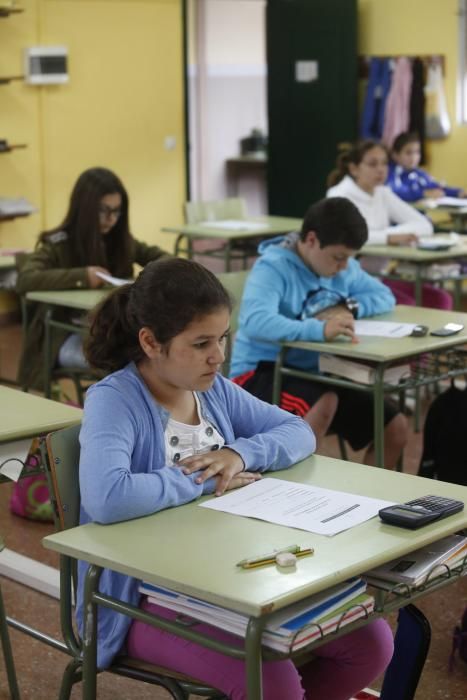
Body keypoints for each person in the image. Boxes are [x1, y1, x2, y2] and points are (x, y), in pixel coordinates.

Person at [78, 257, 393, 700]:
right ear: (150, 342)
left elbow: (298, 431)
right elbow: (107, 497)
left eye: (223, 337)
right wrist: (203, 479)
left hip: (225, 575)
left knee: (371, 644)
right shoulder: (115, 400)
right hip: (138, 600)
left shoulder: (212, 388)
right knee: (273, 685)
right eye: (202, 342)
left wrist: (237, 453)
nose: (219, 355)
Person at [230, 197, 408, 470]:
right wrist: (320, 329)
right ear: (311, 240)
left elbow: (384, 295)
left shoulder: (343, 267)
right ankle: (296, 497)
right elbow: (256, 321)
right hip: (260, 373)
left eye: (350, 258)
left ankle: (370, 503)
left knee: (395, 426)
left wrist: (349, 307)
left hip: (318, 372)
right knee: (325, 402)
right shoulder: (273, 266)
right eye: (338, 257)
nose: (345, 267)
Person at [15, 166, 170, 392]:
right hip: (65, 334)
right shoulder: (60, 243)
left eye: (117, 212)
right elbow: (25, 279)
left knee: (157, 354)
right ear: (85, 209)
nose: (111, 219)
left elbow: (163, 258)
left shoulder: (120, 240)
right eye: (103, 211)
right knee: (125, 364)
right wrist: (82, 276)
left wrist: (149, 276)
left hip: (110, 332)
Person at [326, 140, 452, 310]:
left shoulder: (383, 193)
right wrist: (390, 237)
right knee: (406, 305)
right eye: (372, 164)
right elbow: (348, 236)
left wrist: (387, 235)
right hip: (347, 282)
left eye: (385, 163)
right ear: (354, 168)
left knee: (440, 299)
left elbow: (424, 225)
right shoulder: (338, 195)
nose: (381, 169)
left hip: (379, 277)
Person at [387, 131, 466, 203]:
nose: (414, 157)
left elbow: (436, 187)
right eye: (408, 153)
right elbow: (395, 192)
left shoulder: (419, 173)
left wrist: (458, 192)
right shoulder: (390, 172)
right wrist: (422, 193)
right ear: (395, 155)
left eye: (417, 152)